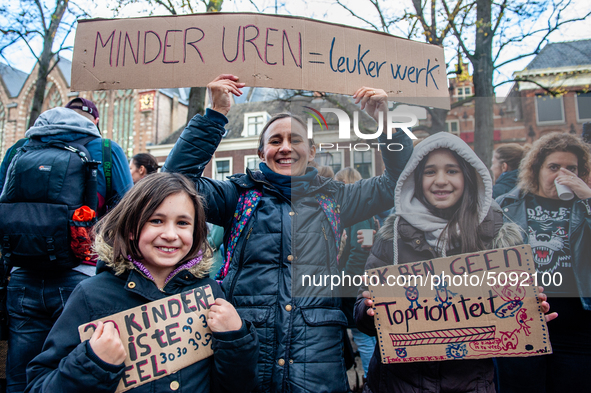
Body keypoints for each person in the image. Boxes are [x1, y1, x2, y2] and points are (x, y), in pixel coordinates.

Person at [162, 74, 413, 393]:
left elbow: (400, 182)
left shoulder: (338, 198)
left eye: (295, 140)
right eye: (275, 140)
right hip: (246, 353)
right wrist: (216, 115)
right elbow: (174, 182)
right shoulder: (236, 195)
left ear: (312, 151)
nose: (285, 148)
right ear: (261, 151)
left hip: (317, 361)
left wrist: (386, 121)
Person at [354, 132, 556, 393]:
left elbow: (511, 313)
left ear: (468, 177)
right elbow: (361, 311)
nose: (441, 181)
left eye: (451, 171)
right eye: (430, 172)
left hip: (469, 384)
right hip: (397, 383)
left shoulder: (497, 236)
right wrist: (370, 311)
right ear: (415, 178)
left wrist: (529, 310)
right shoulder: (391, 237)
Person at [25, 172, 259, 392]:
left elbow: (236, 385)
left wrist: (234, 339)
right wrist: (93, 363)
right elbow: (39, 384)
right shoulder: (91, 295)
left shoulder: (209, 291)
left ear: (197, 231)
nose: (170, 234)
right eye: (156, 221)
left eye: (183, 223)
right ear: (130, 229)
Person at [0, 98, 133, 393]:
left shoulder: (18, 150)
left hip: (22, 274)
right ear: (94, 122)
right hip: (80, 277)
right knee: (75, 368)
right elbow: (127, 212)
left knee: (20, 373)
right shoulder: (107, 150)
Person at [495, 132, 591, 392]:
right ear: (536, 168)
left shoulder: (585, 205)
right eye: (554, 167)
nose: (563, 174)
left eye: (571, 168)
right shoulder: (505, 205)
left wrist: (588, 199)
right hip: (521, 326)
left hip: (577, 329)